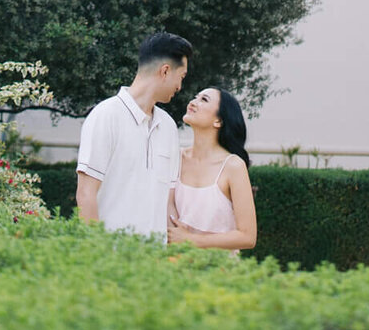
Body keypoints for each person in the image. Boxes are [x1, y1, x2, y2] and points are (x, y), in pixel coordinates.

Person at [75, 31, 192, 238]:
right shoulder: (106, 115)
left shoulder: (168, 127)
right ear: (165, 71)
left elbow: (168, 201)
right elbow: (86, 194)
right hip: (111, 258)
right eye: (181, 77)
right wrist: (94, 253)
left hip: (154, 260)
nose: (180, 87)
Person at [167, 85, 257, 251]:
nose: (193, 102)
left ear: (219, 121)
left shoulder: (233, 166)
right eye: (196, 97)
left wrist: (191, 240)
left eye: (204, 100)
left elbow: (247, 237)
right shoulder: (175, 158)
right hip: (176, 267)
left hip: (219, 271)